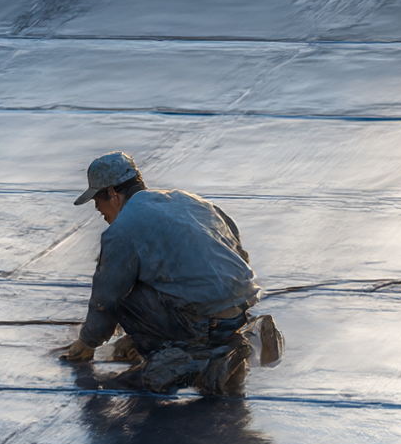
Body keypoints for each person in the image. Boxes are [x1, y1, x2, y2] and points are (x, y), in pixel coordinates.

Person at [61, 151, 283, 395]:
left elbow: (106, 298)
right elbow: (239, 254)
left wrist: (87, 343)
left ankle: (198, 362)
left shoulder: (122, 230)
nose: (97, 209)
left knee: (124, 295)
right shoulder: (191, 201)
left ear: (113, 194)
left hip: (201, 321)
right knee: (160, 280)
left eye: (97, 201)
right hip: (238, 308)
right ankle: (247, 334)